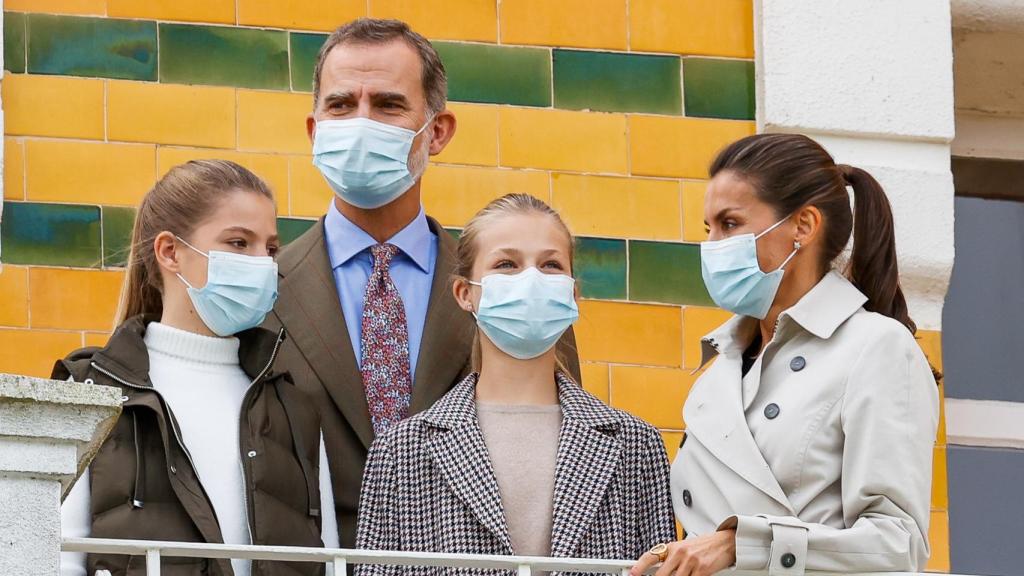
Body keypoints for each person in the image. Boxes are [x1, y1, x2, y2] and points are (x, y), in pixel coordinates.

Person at [264, 18, 581, 548]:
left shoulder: (518, 288)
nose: (362, 121)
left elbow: (565, 444)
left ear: (436, 131)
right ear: (315, 130)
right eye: (341, 105)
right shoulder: (261, 291)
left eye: (388, 105)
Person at [631, 134, 940, 576]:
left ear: (803, 226)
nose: (713, 245)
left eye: (730, 224)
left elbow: (898, 547)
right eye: (709, 229)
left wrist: (743, 543)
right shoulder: (718, 372)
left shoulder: (876, 347)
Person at [354, 194, 674, 575]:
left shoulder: (636, 446)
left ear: (573, 294)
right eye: (507, 264)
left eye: (551, 264)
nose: (531, 279)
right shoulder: (400, 453)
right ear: (465, 293)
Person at [56, 160, 339, 576]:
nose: (263, 263)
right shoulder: (92, 392)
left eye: (271, 248)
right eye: (239, 243)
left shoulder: (291, 407)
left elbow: (327, 561)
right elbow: (55, 556)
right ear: (170, 252)